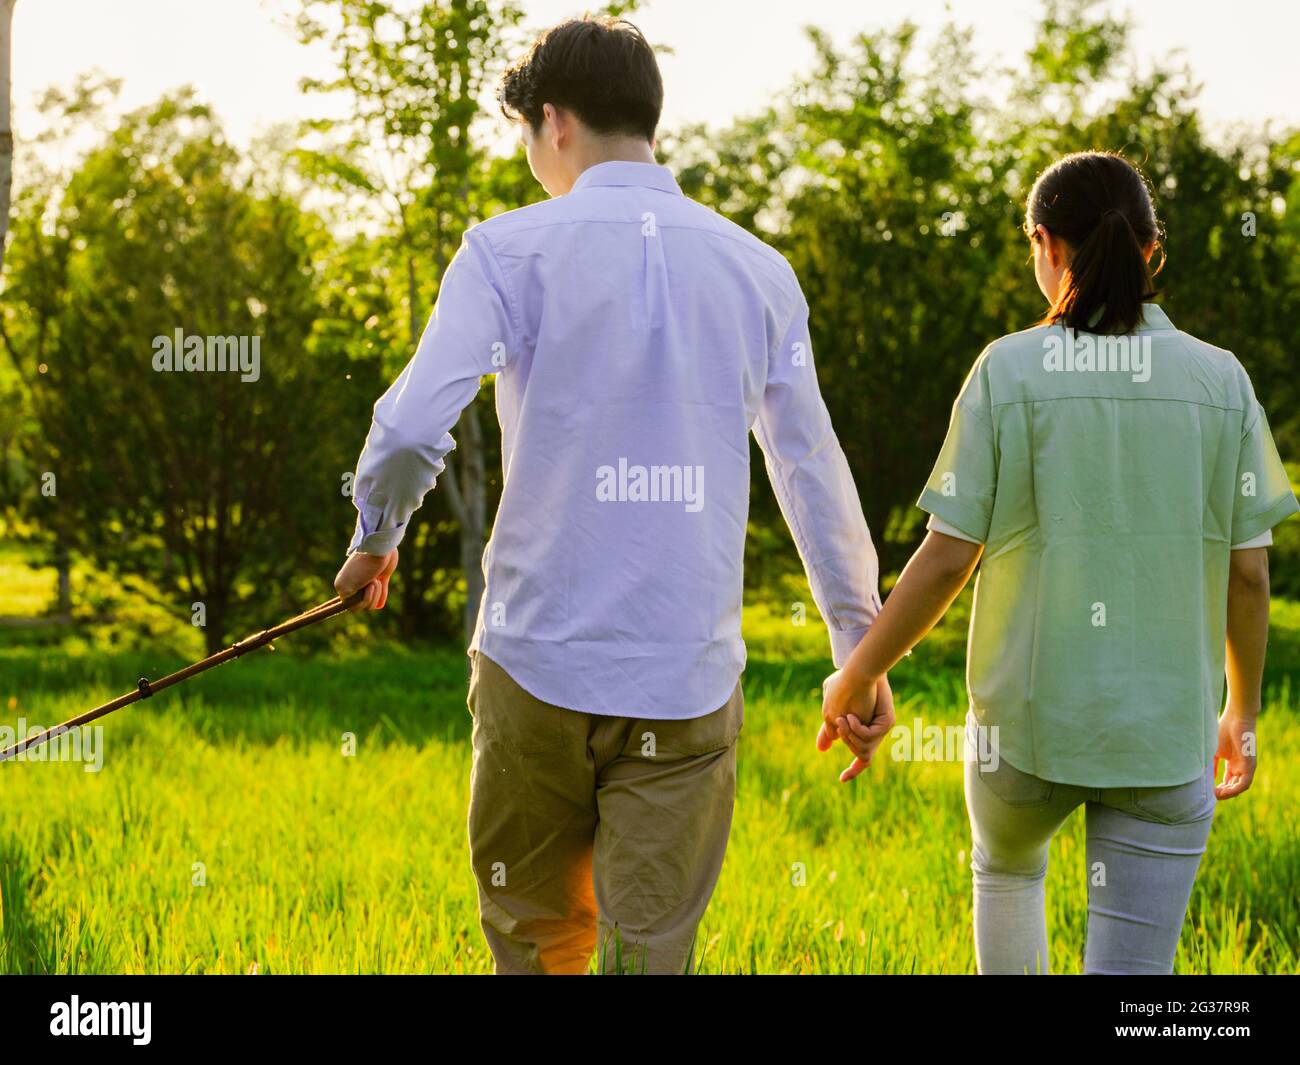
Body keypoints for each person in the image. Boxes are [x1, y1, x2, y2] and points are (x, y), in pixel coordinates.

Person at [333, 16, 883, 974]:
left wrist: (377, 535)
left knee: (536, 945)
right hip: (687, 678)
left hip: (531, 663)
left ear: (553, 122)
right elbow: (811, 468)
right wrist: (858, 647)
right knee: (651, 950)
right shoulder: (757, 269)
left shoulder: (506, 252)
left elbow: (413, 425)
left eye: (528, 140)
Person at [820, 150, 1298, 974]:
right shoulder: (1224, 382)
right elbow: (1249, 573)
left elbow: (947, 556)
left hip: (1024, 737)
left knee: (1006, 872)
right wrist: (1243, 712)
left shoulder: (1007, 369)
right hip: (1164, 738)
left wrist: (857, 671)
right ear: (1153, 250)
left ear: (1044, 244)